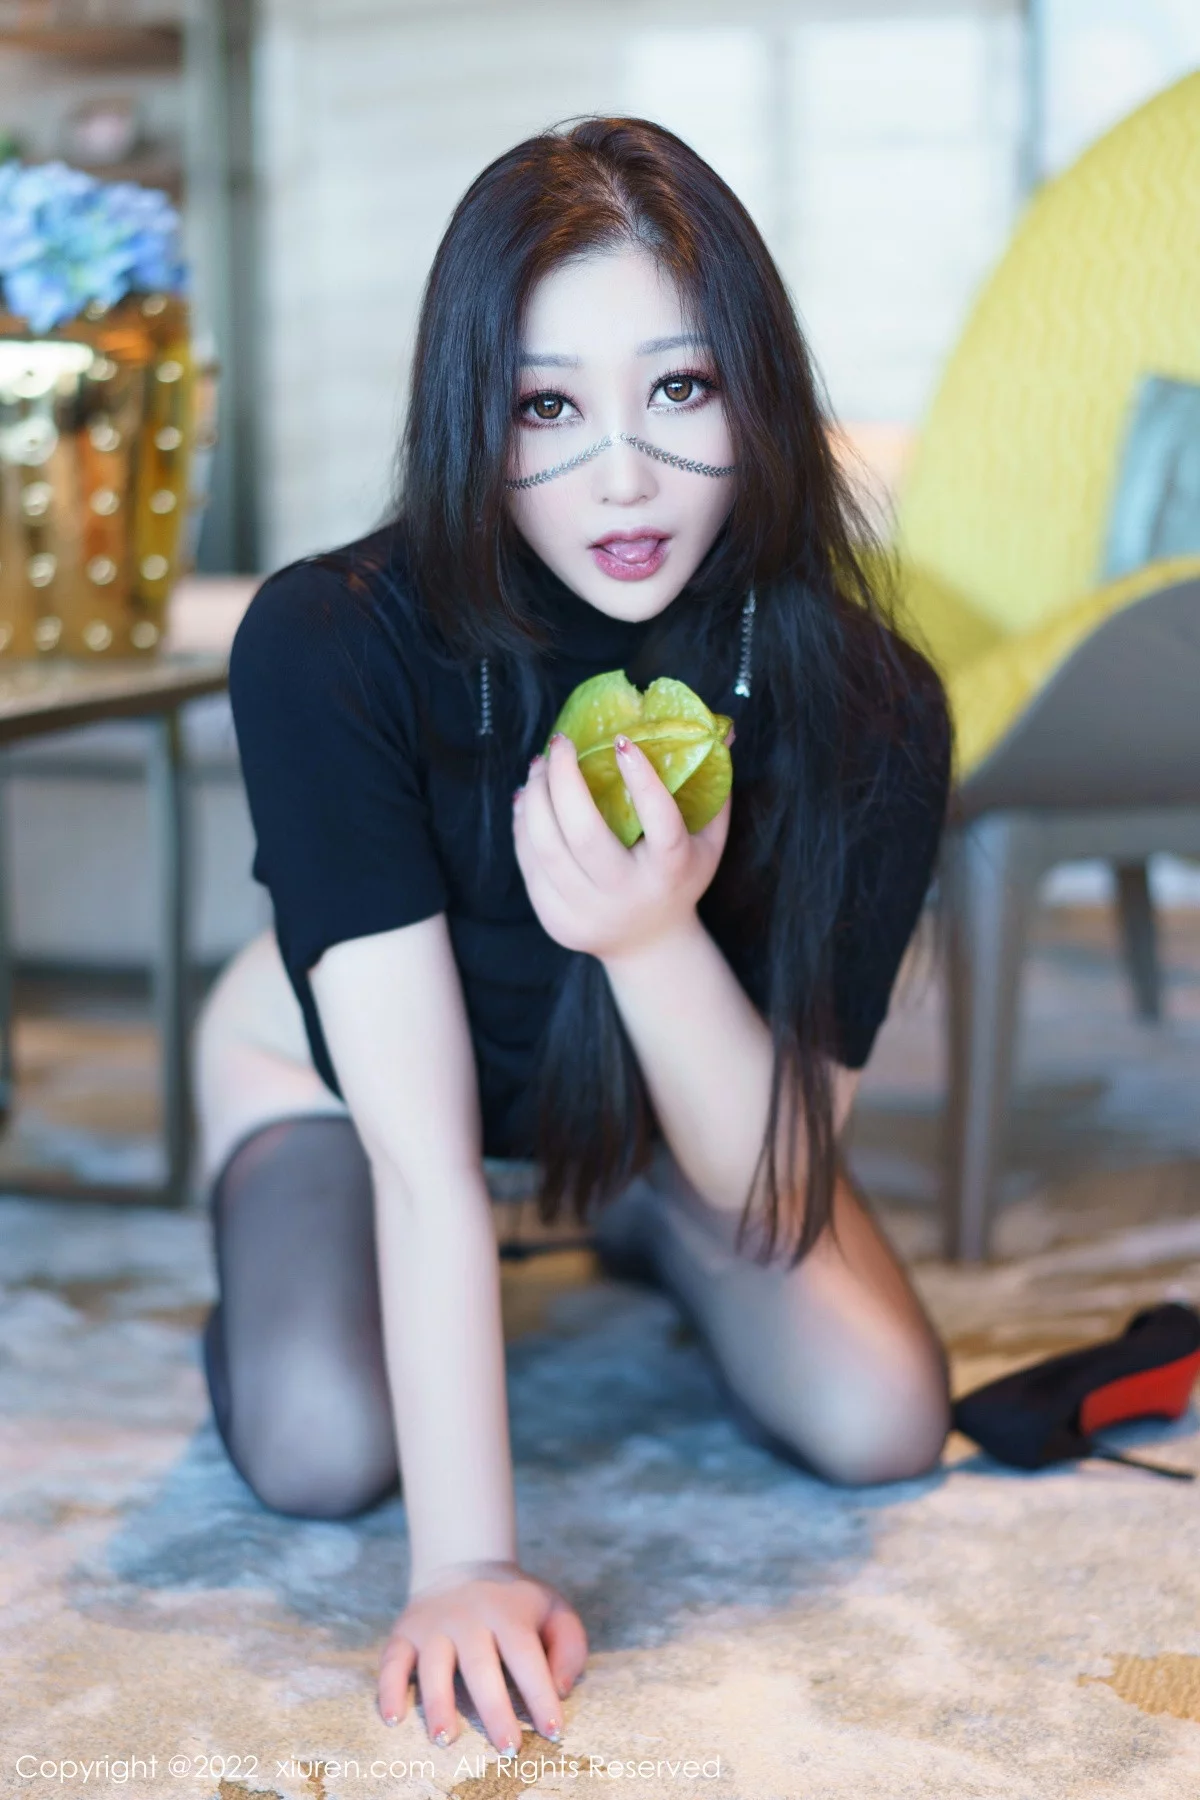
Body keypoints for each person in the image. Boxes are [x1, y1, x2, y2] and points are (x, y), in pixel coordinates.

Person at [194, 115, 953, 1757]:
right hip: (353, 1098)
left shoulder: (872, 703)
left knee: (885, 1417)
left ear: (760, 392)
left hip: (674, 1117)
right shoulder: (329, 644)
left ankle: (628, 1219)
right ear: (470, 415)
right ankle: (310, 1237)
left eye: (681, 389)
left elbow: (772, 1175)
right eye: (547, 406)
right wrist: (468, 1567)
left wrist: (650, 936)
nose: (623, 478)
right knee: (321, 1446)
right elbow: (421, 1158)